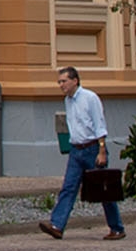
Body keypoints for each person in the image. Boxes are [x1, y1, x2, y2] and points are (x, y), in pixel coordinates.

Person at [44, 65, 125, 240]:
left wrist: (102, 150)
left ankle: (116, 227)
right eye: (59, 82)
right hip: (76, 149)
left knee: (104, 189)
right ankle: (57, 225)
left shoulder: (90, 98)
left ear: (75, 81)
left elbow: (99, 124)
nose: (61, 85)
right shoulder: (68, 100)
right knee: (68, 187)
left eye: (64, 81)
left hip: (92, 148)